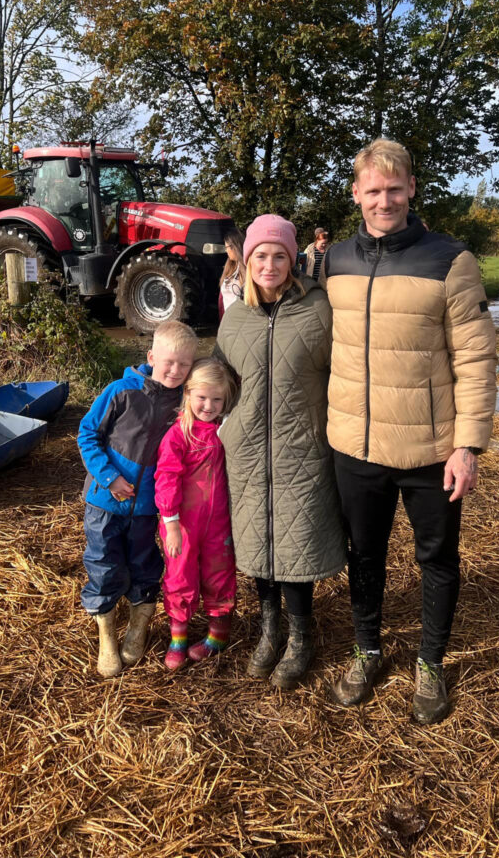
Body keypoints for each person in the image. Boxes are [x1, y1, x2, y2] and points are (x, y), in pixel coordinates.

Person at [325, 138, 497, 724]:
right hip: (355, 444)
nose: (384, 200)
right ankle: (367, 648)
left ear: (412, 190)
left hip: (429, 447)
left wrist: (467, 445)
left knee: (437, 557)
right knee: (364, 554)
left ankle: (429, 662)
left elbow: (476, 359)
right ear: (357, 194)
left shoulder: (450, 260)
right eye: (373, 190)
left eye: (394, 189)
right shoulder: (335, 261)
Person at [216, 214, 346, 690]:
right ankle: (269, 629)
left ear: (294, 260)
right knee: (256, 542)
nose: (268, 264)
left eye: (279, 256)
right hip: (248, 450)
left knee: (294, 545)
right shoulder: (236, 316)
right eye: (260, 256)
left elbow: (345, 374)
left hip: (301, 448)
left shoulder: (319, 311)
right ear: (246, 261)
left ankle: (301, 635)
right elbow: (221, 373)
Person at [77, 319, 198, 678]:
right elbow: (87, 434)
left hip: (148, 507)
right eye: (169, 362)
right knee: (103, 561)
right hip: (104, 502)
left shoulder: (185, 405)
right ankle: (106, 635)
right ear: (151, 356)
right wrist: (109, 476)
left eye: (184, 365)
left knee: (145, 563)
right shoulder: (121, 391)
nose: (175, 371)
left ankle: (138, 625)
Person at [155, 358, 237, 670]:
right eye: (202, 397)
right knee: (179, 575)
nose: (209, 405)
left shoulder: (224, 430)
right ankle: (179, 637)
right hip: (183, 525)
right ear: (188, 394)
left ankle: (218, 633)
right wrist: (171, 523)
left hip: (218, 522)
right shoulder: (177, 436)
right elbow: (166, 478)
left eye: (217, 399)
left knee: (219, 573)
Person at [218, 227, 246, 318]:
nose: (226, 251)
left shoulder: (248, 269)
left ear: (234, 247)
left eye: (227, 247)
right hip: (228, 321)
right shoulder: (229, 268)